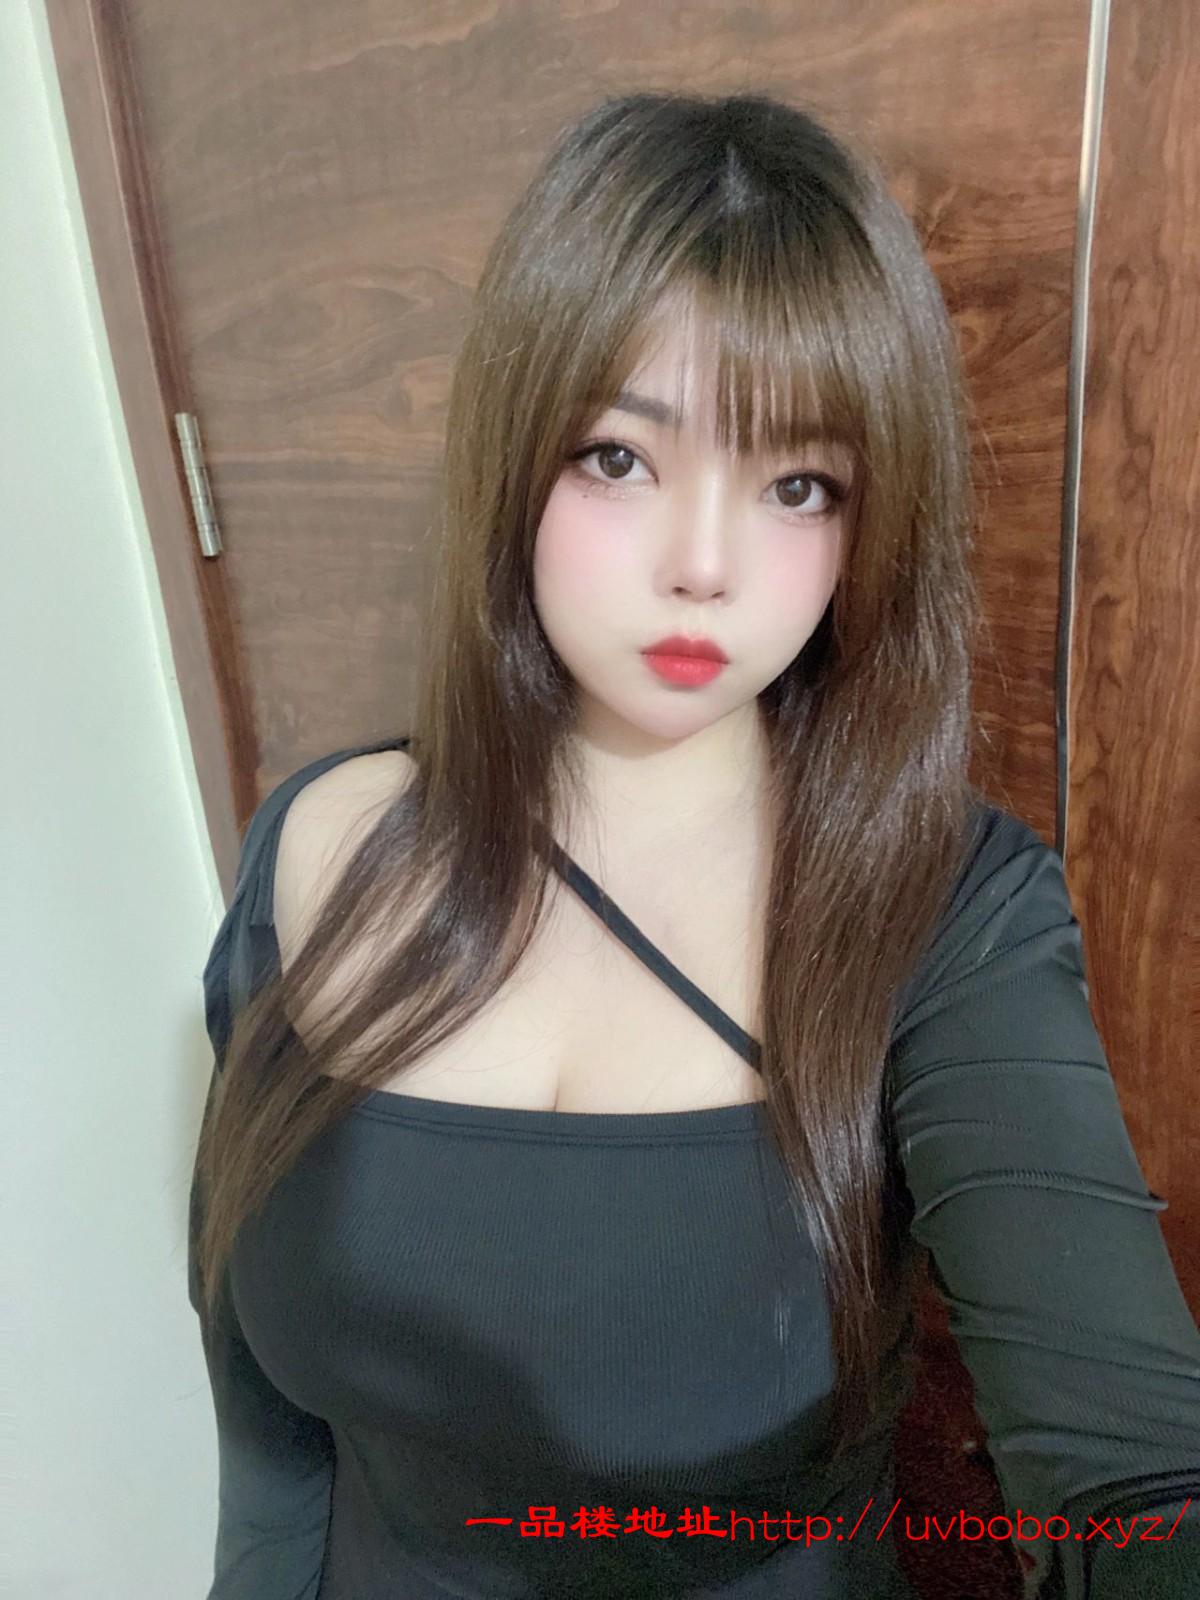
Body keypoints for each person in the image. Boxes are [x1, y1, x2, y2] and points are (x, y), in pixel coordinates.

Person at [187, 92, 1200, 1599]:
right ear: (516, 454)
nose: (705, 567)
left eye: (798, 486)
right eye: (618, 458)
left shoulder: (946, 910)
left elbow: (1137, 1481)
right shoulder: (320, 849)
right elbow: (271, 1438)